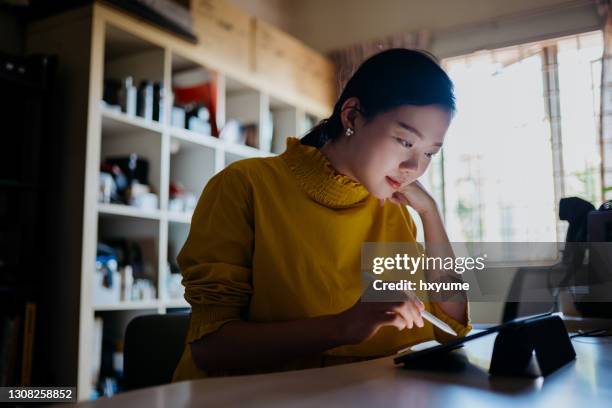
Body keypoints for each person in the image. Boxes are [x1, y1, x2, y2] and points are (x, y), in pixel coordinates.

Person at [172, 48, 471, 381]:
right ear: (352, 116)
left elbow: (449, 321)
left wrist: (432, 215)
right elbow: (211, 346)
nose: (414, 168)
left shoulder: (393, 204)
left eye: (429, 152)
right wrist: (344, 327)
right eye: (404, 141)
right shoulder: (245, 185)